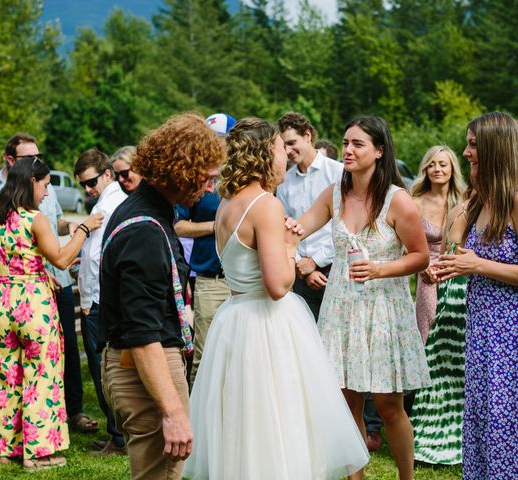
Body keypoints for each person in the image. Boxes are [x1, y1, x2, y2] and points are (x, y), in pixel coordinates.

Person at [183, 117, 369, 479]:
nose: (286, 156)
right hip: (267, 326)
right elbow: (278, 285)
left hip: (234, 317)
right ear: (265, 155)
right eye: (281, 149)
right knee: (279, 418)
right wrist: (291, 245)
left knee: (243, 421)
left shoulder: (226, 203)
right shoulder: (265, 205)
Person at [297, 115, 431, 479]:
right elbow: (300, 226)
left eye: (357, 144)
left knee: (389, 406)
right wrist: (277, 223)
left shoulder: (397, 201)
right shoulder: (334, 195)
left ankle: (407, 477)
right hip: (340, 309)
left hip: (384, 309)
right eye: (345, 143)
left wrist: (380, 269)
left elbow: (420, 256)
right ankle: (356, 478)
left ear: (379, 151)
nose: (348, 150)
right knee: (346, 403)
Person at [435, 112, 518, 479]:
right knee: (488, 427)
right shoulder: (485, 197)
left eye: (473, 145)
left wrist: (478, 267)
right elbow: (459, 247)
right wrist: (449, 265)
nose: (466, 152)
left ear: (495, 147)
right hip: (483, 335)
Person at [99, 113, 224, 480]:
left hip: (141, 362)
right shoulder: (145, 231)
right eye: (207, 176)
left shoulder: (148, 212)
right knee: (161, 472)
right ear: (182, 170)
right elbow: (142, 333)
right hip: (144, 365)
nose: (211, 187)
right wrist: (171, 412)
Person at [0, 157, 102, 470]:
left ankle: (7, 451)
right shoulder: (35, 219)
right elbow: (62, 259)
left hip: (3, 302)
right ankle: (39, 454)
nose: (48, 192)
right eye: (45, 184)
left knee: (6, 377)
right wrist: (82, 229)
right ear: (30, 182)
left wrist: (23, 266)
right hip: (34, 305)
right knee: (41, 376)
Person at [73, 148, 128, 455]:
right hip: (96, 299)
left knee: (105, 371)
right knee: (103, 369)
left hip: (101, 301)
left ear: (107, 173)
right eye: (83, 184)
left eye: (91, 181)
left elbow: (103, 258)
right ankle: (116, 434)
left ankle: (119, 438)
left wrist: (92, 303)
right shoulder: (105, 202)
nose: (87, 189)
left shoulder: (113, 204)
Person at [410, 189, 471, 465]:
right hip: (444, 282)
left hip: (468, 287)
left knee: (461, 363)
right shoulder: (461, 210)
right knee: (439, 355)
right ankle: (438, 429)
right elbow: (449, 248)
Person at [175, 113, 235, 387]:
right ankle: (194, 423)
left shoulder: (245, 176)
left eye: (221, 140)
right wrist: (217, 225)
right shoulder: (197, 178)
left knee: (238, 356)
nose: (216, 145)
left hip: (244, 283)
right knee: (205, 355)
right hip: (211, 281)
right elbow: (178, 226)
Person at [276, 112, 343, 321]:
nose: (288, 151)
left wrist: (315, 261)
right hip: (299, 273)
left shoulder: (338, 172)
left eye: (292, 142)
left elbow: (348, 227)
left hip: (335, 266)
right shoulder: (285, 181)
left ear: (307, 135)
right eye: (283, 146)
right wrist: (302, 266)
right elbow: (283, 227)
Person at [410, 145, 466, 343]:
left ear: (452, 169)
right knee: (430, 332)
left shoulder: (465, 200)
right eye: (431, 165)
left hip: (459, 273)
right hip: (428, 273)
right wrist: (422, 266)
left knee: (457, 333)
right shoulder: (415, 203)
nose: (437, 169)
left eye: (443, 164)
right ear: (425, 169)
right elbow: (405, 243)